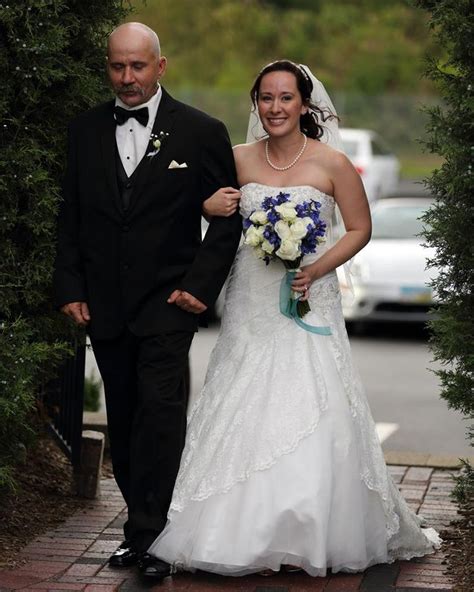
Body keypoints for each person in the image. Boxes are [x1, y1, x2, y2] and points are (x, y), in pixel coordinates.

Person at [147, 60, 440, 577]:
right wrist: (206, 204)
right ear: (255, 104)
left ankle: (309, 527)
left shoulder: (331, 164)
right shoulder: (235, 158)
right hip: (250, 300)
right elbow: (194, 207)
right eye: (266, 98)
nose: (275, 108)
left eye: (285, 98)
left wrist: (314, 267)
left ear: (304, 104)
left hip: (309, 295)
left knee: (312, 394)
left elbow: (358, 228)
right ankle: (226, 531)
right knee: (239, 394)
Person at [53, 23, 241, 580]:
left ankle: (150, 538)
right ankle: (143, 521)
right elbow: (71, 216)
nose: (127, 78)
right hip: (105, 306)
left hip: (170, 302)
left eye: (138, 66)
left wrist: (199, 288)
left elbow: (229, 220)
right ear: (108, 67)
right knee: (126, 416)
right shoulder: (83, 130)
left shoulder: (203, 132)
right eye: (117, 67)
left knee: (161, 415)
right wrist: (71, 287)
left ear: (161, 66)